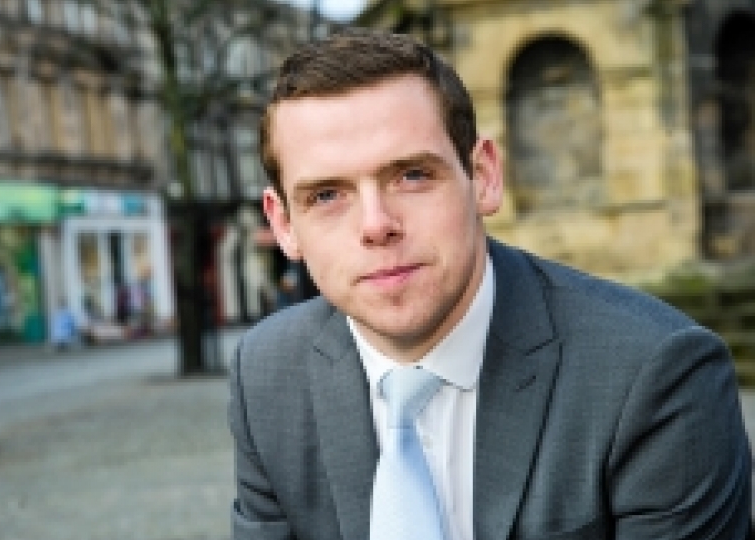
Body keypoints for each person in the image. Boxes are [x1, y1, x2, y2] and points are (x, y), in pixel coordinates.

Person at [228, 28, 752, 540]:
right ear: (283, 226)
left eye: (411, 175)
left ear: (483, 176)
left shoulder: (654, 376)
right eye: (325, 195)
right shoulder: (268, 375)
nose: (375, 224)